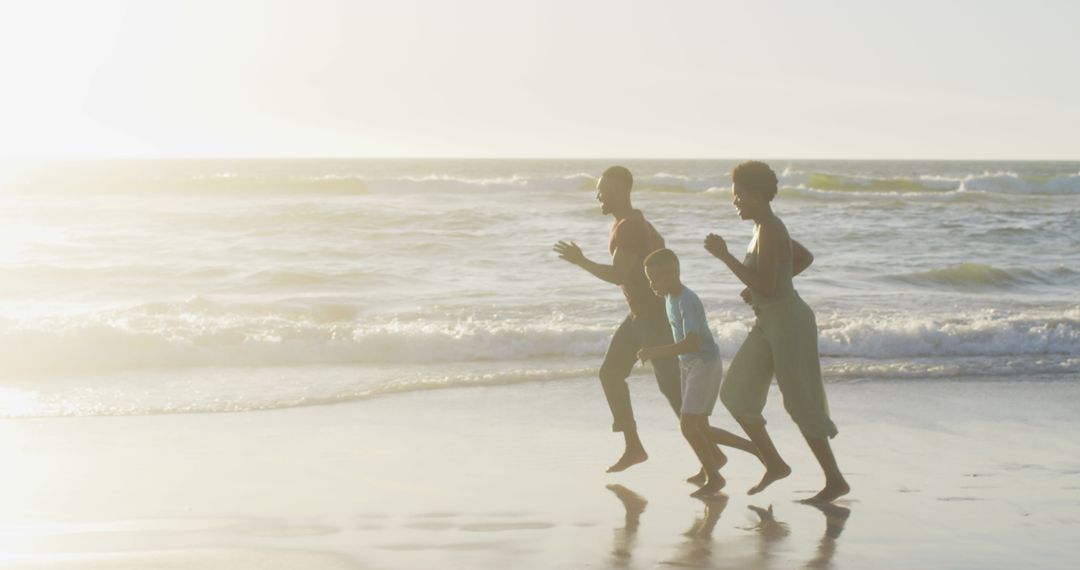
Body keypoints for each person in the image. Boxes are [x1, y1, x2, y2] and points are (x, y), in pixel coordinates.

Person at [554, 166, 757, 475]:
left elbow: (619, 274)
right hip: (646, 316)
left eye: (603, 189)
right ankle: (683, 452)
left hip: (651, 319)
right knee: (622, 376)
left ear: (620, 190)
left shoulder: (629, 227)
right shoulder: (641, 223)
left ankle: (712, 455)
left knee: (666, 390)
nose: (597, 194)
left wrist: (580, 261)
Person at [704, 160, 849, 503]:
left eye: (738, 195)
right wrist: (762, 284)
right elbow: (803, 259)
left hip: (789, 324)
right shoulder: (763, 228)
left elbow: (767, 287)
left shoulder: (770, 228)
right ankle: (774, 463)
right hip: (768, 322)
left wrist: (726, 258)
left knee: (800, 402)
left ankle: (835, 480)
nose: (734, 202)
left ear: (755, 195)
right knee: (736, 394)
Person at [637, 248, 726, 497]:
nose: (652, 285)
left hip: (703, 363)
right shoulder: (669, 297)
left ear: (673, 275)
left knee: (689, 426)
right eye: (649, 280)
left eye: (655, 279)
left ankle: (716, 477)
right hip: (688, 364)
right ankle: (712, 466)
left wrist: (654, 352)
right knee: (698, 424)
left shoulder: (687, 299)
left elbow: (692, 342)